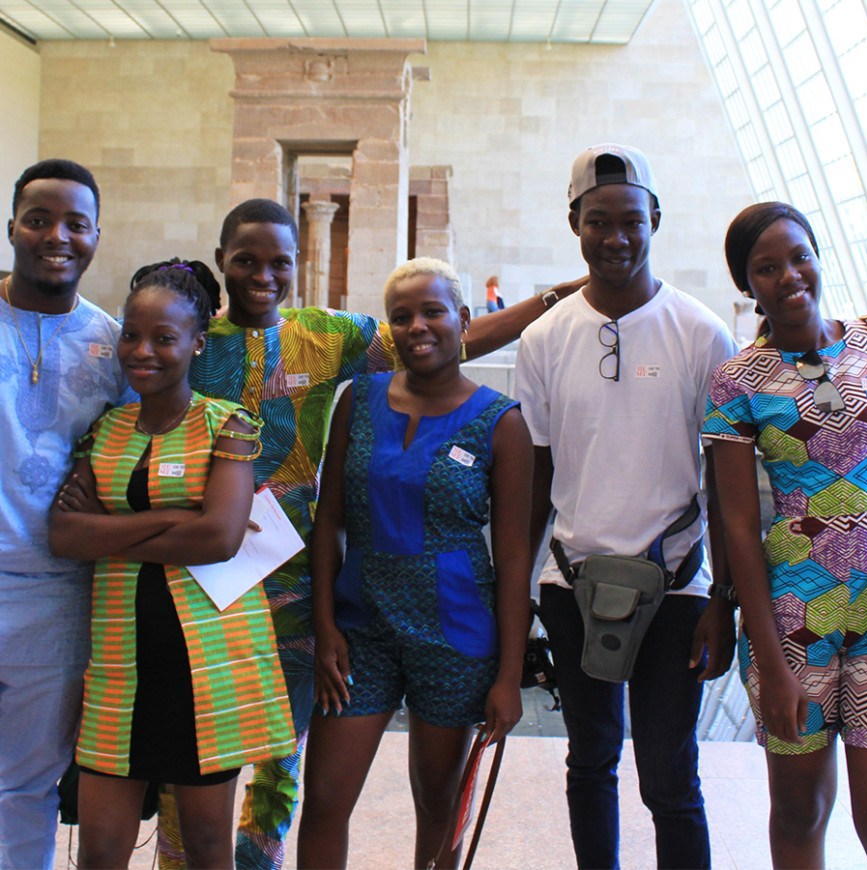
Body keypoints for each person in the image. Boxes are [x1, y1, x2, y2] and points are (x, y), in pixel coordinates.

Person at [154, 198, 583, 870]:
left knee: (371, 790)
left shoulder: (335, 343)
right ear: (221, 263)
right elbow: (328, 516)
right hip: (271, 601)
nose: (263, 275)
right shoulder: (205, 346)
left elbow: (514, 551)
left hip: (398, 616)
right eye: (246, 261)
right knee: (231, 765)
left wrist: (563, 293)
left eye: (278, 262)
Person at [514, 143, 739, 869]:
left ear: (656, 220)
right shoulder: (545, 338)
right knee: (590, 762)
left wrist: (722, 601)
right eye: (598, 221)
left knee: (671, 778)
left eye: (631, 221)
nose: (616, 238)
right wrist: (514, 592)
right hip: (571, 583)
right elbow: (537, 475)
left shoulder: (701, 333)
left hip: (675, 586)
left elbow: (723, 484)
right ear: (574, 223)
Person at [48, 260, 295, 869]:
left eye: (164, 337)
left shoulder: (227, 425)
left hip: (207, 664)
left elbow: (219, 537)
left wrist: (105, 535)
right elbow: (62, 534)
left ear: (195, 343)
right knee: (101, 848)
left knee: (209, 848)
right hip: (118, 664)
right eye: (132, 334)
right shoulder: (102, 431)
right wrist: (171, 520)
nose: (144, 351)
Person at [296, 257, 532, 869]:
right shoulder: (361, 399)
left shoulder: (500, 422)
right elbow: (330, 522)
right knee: (324, 799)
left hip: (453, 635)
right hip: (360, 632)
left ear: (462, 319)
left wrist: (509, 675)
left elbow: (512, 558)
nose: (417, 327)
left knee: (439, 804)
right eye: (402, 318)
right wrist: (325, 629)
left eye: (432, 312)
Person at [703, 202, 867, 868]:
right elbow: (740, 526)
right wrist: (770, 665)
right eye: (766, 268)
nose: (789, 276)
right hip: (796, 617)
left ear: (819, 256)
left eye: (799, 257)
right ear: (749, 286)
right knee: (801, 811)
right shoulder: (736, 381)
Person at [0, 158, 135, 870]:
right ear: (12, 227)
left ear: (95, 236)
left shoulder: (113, 346)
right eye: (40, 219)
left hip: (56, 598)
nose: (58, 236)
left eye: (76, 224)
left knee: (25, 786)